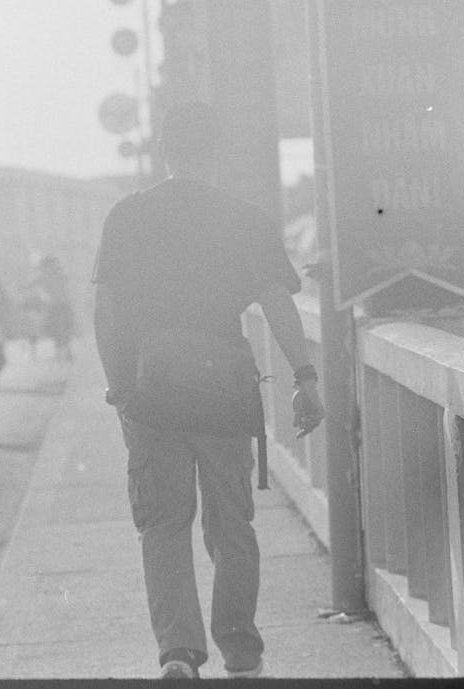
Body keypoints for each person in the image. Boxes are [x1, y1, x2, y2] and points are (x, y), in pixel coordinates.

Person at [92, 101, 325, 680]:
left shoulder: (127, 215)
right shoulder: (244, 217)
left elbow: (106, 312)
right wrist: (305, 377)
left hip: (153, 391)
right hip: (224, 390)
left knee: (163, 526)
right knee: (231, 526)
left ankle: (178, 653)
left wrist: (120, 389)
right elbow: (277, 303)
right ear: (215, 150)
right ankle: (241, 651)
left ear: (165, 149)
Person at [34, 255, 75, 362]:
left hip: (54, 305)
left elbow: (34, 283)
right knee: (64, 327)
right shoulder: (59, 273)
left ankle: (61, 349)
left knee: (54, 327)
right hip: (62, 304)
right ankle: (65, 349)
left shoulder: (45, 275)